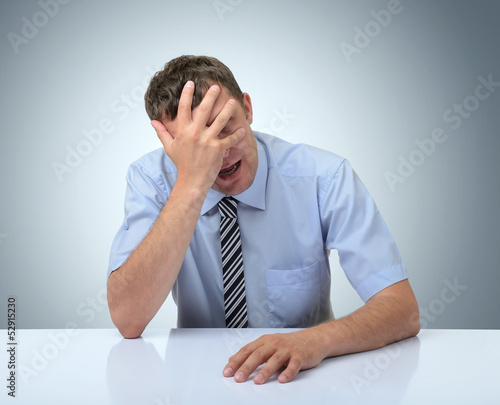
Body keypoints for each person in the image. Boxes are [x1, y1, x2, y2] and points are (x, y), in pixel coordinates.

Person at [107, 55, 420, 385]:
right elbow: (128, 319)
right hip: (198, 384)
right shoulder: (151, 180)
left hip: (302, 382)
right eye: (195, 144)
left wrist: (315, 340)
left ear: (248, 108)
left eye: (225, 128)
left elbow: (402, 310)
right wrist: (191, 182)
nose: (219, 153)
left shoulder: (323, 177)